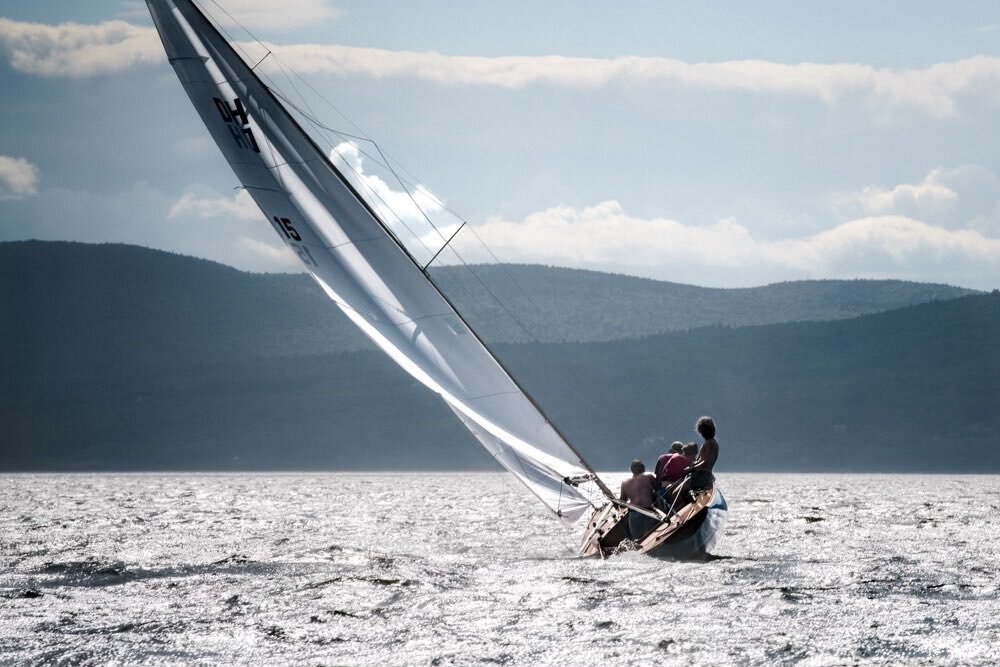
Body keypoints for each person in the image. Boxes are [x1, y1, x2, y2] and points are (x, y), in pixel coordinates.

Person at [669, 416, 720, 510]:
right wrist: (693, 465)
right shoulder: (710, 442)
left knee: (675, 494)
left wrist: (692, 468)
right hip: (701, 475)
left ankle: (679, 516)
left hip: (702, 476)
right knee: (672, 489)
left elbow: (706, 461)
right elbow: (701, 461)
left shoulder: (710, 443)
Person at [619, 459, 659, 540]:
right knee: (654, 538)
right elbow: (659, 490)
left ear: (631, 470)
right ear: (643, 468)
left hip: (634, 514)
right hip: (649, 511)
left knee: (638, 541)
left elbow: (622, 501)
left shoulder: (624, 482)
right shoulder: (649, 476)